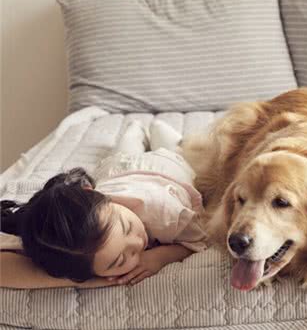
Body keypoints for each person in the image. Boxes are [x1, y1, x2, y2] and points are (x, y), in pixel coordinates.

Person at [0, 120, 209, 289]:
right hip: (118, 173)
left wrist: (162, 256)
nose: (138, 244)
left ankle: (143, 127)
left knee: (173, 145)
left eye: (127, 227)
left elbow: (202, 239)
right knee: (124, 152)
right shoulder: (57, 243)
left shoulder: (169, 215)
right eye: (119, 261)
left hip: (163, 165)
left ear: (93, 192)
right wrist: (82, 280)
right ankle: (135, 131)